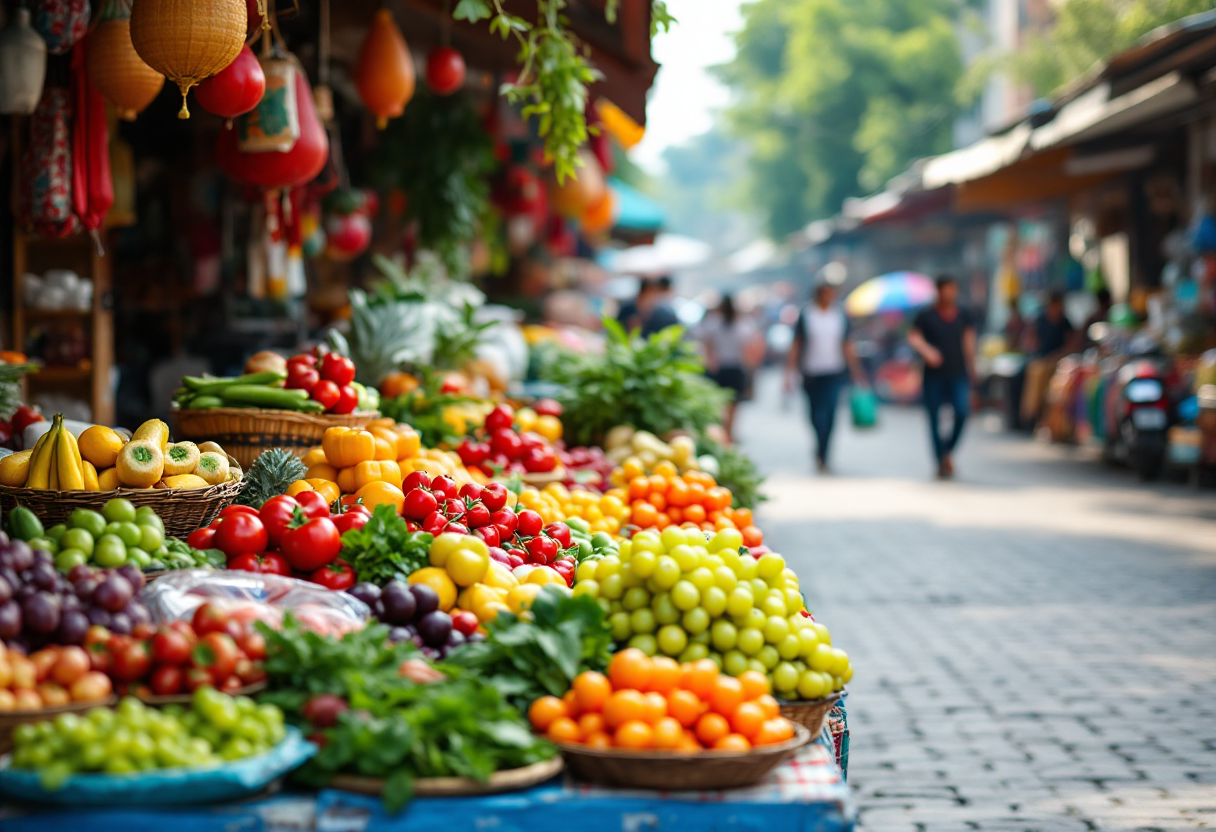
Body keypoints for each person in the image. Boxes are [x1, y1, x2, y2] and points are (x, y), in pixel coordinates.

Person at [784, 283, 865, 471]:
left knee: (830, 414)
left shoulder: (839, 316)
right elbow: (797, 344)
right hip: (811, 373)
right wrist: (789, 372)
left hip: (834, 372)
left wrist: (856, 371)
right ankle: (819, 444)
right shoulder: (807, 315)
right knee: (815, 414)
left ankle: (824, 452)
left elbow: (847, 344)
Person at [909, 275, 976, 479]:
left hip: (958, 373)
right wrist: (927, 351)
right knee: (933, 419)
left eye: (951, 289)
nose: (948, 293)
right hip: (933, 376)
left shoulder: (964, 313)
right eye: (945, 289)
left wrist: (973, 368)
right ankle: (940, 459)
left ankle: (947, 451)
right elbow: (914, 337)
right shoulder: (926, 314)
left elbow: (969, 341)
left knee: (962, 412)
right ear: (938, 291)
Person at [699, 294, 761, 442]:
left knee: (720, 404)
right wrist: (750, 369)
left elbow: (706, 343)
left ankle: (723, 434)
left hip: (721, 368)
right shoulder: (741, 324)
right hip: (734, 368)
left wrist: (710, 360)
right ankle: (728, 434)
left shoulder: (714, 323)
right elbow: (749, 348)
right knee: (733, 405)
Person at [1021, 290, 1077, 426]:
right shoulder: (1041, 320)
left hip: (1058, 359)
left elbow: (1072, 342)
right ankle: (1030, 412)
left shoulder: (1064, 322)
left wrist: (1061, 353)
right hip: (1042, 358)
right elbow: (1031, 340)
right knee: (1036, 372)